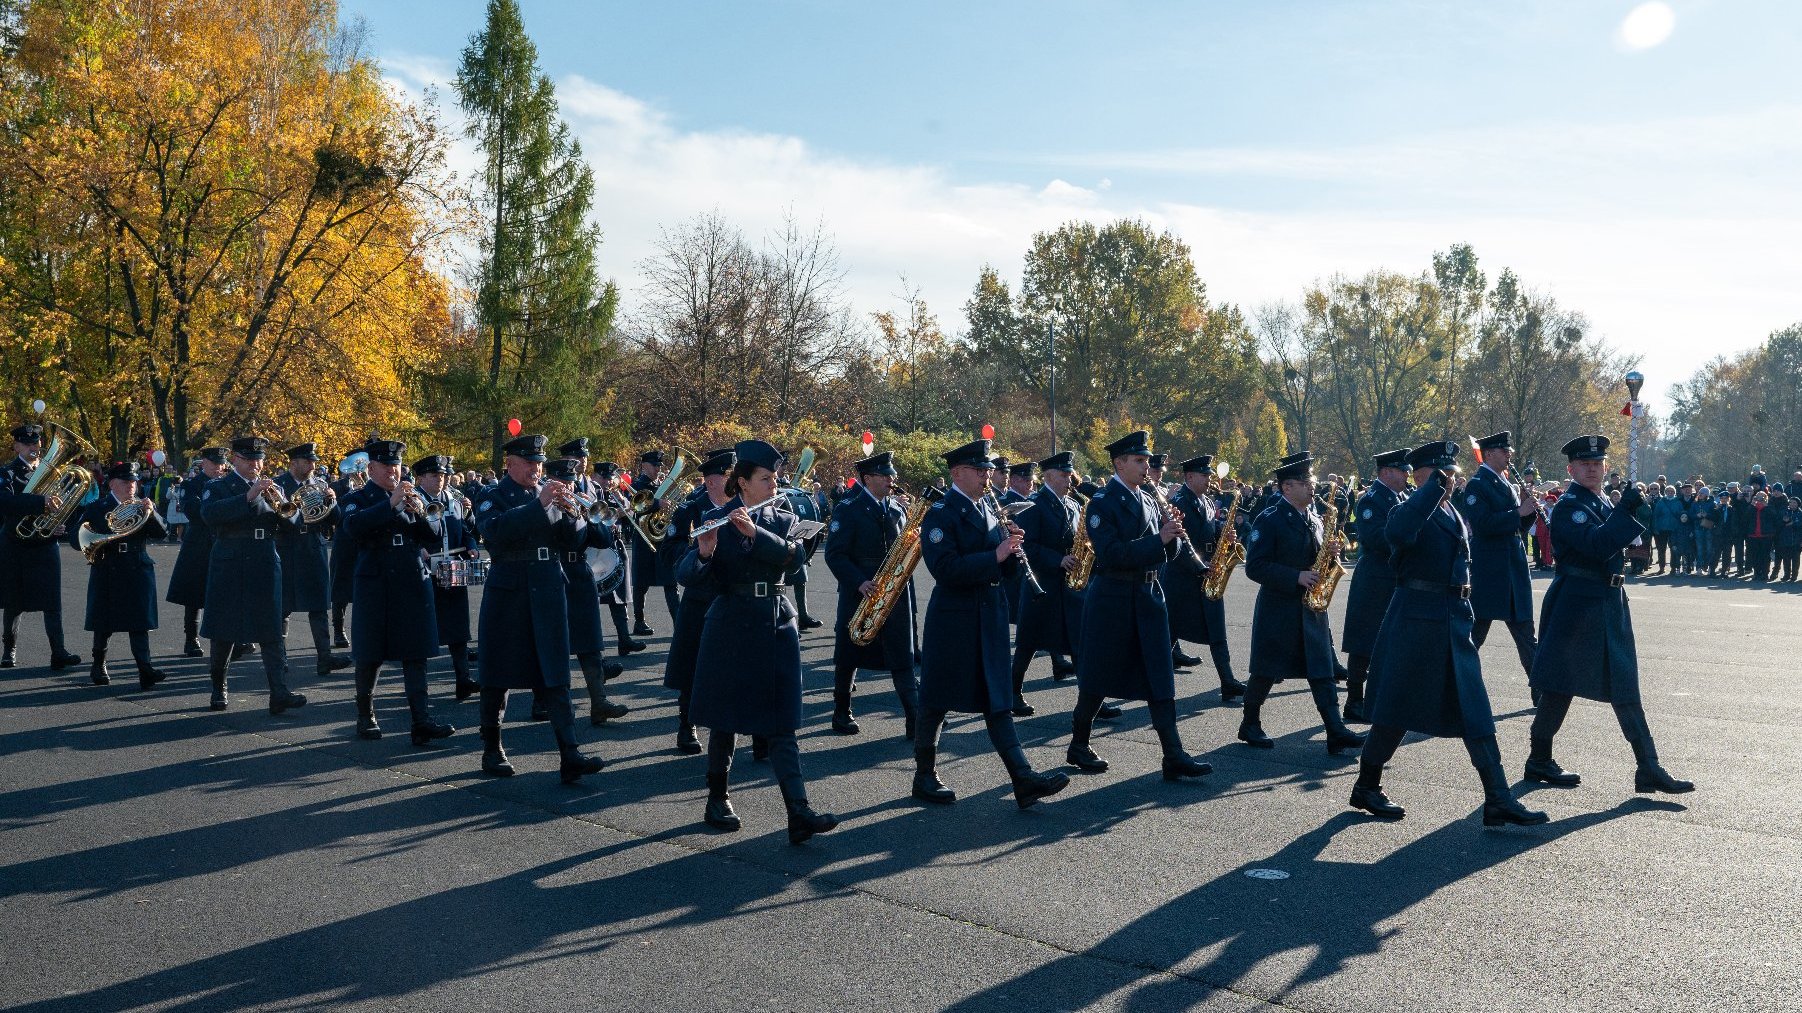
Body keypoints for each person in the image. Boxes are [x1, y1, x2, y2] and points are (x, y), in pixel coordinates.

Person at [1350, 442, 1547, 827]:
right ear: (1420, 476)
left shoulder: (1450, 509)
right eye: (1442, 475)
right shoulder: (1409, 507)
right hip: (1418, 622)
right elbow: (1397, 532)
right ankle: (1366, 784)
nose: (1450, 481)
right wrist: (1429, 492)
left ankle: (1497, 798)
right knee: (1396, 710)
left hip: (1452, 618)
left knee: (1475, 709)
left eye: (1452, 474)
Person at [680, 439, 838, 843]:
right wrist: (704, 555)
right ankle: (718, 797)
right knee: (726, 719)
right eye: (766, 479)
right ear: (742, 483)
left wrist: (756, 535)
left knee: (782, 722)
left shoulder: (780, 517)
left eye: (775, 478)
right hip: (731, 623)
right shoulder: (716, 517)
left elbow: (795, 557)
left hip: (776, 623)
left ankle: (798, 811)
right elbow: (686, 574)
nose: (774, 484)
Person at [1526, 435, 1692, 795]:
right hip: (1578, 601)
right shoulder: (1570, 506)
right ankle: (1539, 757)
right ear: (1570, 469)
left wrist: (1629, 509)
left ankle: (1647, 766)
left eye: (1598, 463)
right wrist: (1624, 511)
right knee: (1560, 684)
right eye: (1584, 464)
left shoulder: (1599, 501)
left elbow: (1618, 540)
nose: (1592, 468)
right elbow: (1598, 545)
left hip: (1607, 599)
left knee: (1624, 683)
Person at [912, 438, 1069, 808]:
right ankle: (924, 774)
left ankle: (1022, 778)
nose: (987, 477)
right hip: (955, 617)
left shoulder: (989, 506)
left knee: (997, 700)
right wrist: (996, 553)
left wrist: (1014, 552)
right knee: (936, 697)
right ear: (957, 473)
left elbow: (1005, 567)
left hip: (990, 612)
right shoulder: (940, 513)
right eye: (979, 470)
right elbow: (945, 569)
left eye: (987, 470)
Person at [1062, 432, 1215, 781]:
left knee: (1160, 676)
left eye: (1147, 460)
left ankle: (1173, 754)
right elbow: (1112, 554)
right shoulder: (1103, 502)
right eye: (1140, 460)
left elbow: (1168, 553)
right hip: (1113, 598)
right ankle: (1079, 743)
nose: (1148, 466)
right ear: (1120, 464)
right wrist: (1159, 538)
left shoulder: (1149, 498)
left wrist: (1173, 535)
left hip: (1148, 596)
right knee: (1099, 674)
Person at [472, 433, 605, 782]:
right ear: (510, 463)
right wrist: (540, 505)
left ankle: (570, 753)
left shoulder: (549, 491)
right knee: (497, 674)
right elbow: (495, 534)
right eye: (530, 462)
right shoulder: (492, 496)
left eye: (540, 463)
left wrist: (573, 515)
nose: (537, 469)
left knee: (557, 672)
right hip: (510, 590)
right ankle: (492, 748)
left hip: (548, 587)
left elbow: (575, 539)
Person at [1239, 451, 1365, 755]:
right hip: (1279, 607)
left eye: (1312, 482)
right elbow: (1255, 566)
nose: (1312, 488)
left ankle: (1335, 729)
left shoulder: (1313, 518)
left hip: (1310, 607)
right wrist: (1294, 576)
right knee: (1267, 669)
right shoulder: (1269, 519)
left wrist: (1331, 551)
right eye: (1305, 483)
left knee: (1321, 669)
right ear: (1286, 488)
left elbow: (1315, 558)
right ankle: (1249, 722)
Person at [339, 441, 453, 747]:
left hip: (410, 580)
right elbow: (353, 528)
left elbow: (434, 536)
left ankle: (421, 721)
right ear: (372, 469)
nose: (394, 471)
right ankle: (366, 716)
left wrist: (422, 513)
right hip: (376, 583)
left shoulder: (411, 496)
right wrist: (390, 504)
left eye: (397, 465)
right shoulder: (357, 498)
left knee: (415, 654)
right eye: (387, 466)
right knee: (370, 655)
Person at [199, 436, 306, 715]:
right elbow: (209, 514)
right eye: (249, 459)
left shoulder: (276, 488)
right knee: (224, 629)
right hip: (230, 558)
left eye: (259, 459)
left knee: (271, 630)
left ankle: (279, 692)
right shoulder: (217, 486)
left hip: (263, 559)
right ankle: (218, 689)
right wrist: (249, 495)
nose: (255, 465)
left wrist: (284, 506)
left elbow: (294, 523)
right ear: (235, 459)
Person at [822, 450, 921, 736]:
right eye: (886, 475)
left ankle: (914, 718)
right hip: (861, 591)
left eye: (893, 474)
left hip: (895, 592)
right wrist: (858, 582)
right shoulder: (848, 507)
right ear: (868, 478)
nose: (893, 479)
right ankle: (841, 712)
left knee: (902, 655)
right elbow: (835, 554)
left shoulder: (897, 508)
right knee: (849, 653)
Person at [545, 452, 629, 726]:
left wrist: (591, 516)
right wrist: (572, 516)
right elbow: (563, 538)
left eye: (570, 483)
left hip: (580, 573)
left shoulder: (578, 504)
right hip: (554, 572)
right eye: (562, 482)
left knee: (590, 640)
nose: (568, 488)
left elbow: (603, 541)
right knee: (552, 639)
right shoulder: (543, 505)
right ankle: (541, 699)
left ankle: (599, 701)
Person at [69, 460, 169, 689]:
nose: (131, 487)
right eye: (125, 482)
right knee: (104, 621)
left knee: (140, 622)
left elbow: (161, 533)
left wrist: (152, 514)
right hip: (109, 566)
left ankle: (145, 669)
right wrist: (103, 535)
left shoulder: (142, 506)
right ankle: (99, 664)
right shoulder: (97, 507)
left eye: (134, 482)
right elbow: (77, 539)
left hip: (137, 565)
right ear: (112, 483)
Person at [662, 448, 735, 754]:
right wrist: (700, 555)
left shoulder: (744, 507)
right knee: (692, 664)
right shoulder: (691, 509)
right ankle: (686, 725)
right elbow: (673, 552)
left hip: (733, 596)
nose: (733, 481)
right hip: (701, 596)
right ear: (710, 480)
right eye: (727, 475)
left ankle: (753, 732)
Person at [1161, 453, 1246, 704]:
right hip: (1183, 577)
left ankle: (1227, 681)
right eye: (1204, 475)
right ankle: (1155, 680)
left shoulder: (1207, 501)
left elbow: (1211, 532)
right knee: (1170, 632)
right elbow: (1178, 542)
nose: (1209, 479)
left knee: (1217, 630)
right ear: (1189, 476)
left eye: (1209, 474)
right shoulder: (1179, 502)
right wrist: (1199, 565)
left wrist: (1225, 536)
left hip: (1208, 574)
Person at [0, 422, 83, 671]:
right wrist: (40, 502)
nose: (33, 448)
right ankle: (8, 651)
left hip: (45, 543)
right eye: (27, 444)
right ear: (16, 446)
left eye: (36, 443)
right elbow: (5, 502)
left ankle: (58, 652)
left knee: (52, 602)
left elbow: (67, 503)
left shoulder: (53, 473)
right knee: (14, 601)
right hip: (15, 544)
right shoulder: (7, 473)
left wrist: (60, 524)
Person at [1457, 432, 1538, 685]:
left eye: (1509, 450)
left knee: (1526, 634)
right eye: (1504, 451)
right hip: (1491, 569)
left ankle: (1541, 691)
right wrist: (1518, 512)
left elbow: (1517, 527)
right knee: (1476, 633)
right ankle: (1454, 685)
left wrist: (1528, 510)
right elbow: (1482, 524)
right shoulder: (1477, 484)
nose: (1509, 454)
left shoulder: (1506, 482)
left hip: (1513, 567)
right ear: (1489, 454)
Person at [1008, 451, 1085, 714]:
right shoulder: (1035, 505)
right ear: (1049, 476)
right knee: (1028, 643)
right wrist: (1058, 559)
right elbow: (1025, 545)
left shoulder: (1073, 504)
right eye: (1063, 475)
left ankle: (1091, 700)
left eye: (1069, 474)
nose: (1069, 479)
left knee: (1077, 641)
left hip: (1068, 585)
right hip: (1040, 585)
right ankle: (1013, 693)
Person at [1339, 448, 1410, 723]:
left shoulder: (1403, 496)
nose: (1406, 475)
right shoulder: (1371, 500)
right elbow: (1376, 537)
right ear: (1385, 473)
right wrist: (1408, 537)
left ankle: (1384, 697)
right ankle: (1355, 700)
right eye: (1401, 470)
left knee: (1394, 640)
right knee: (1364, 642)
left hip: (1395, 577)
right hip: (1375, 579)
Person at [274, 443, 350, 680]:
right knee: (283, 607)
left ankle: (324, 658)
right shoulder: (279, 486)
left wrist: (332, 501)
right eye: (307, 462)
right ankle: (279, 658)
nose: (312, 466)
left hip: (313, 547)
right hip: (287, 548)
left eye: (313, 462)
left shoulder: (320, 485)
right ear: (293, 462)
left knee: (318, 607)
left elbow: (337, 520)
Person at [416, 454, 481, 701]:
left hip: (453, 570)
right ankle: (418, 686)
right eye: (435, 476)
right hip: (425, 573)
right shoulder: (416, 501)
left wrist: (471, 546)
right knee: (423, 628)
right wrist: (417, 549)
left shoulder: (452, 501)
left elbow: (465, 531)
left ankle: (463, 680)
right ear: (421, 478)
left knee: (458, 628)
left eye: (443, 475)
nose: (441, 480)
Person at [592, 461, 647, 656]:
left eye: (610, 478)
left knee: (619, 596)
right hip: (594, 550)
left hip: (614, 545)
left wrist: (620, 500)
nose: (608, 482)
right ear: (596, 476)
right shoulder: (594, 491)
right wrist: (616, 514)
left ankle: (624, 639)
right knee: (591, 599)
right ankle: (590, 646)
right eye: (604, 478)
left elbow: (632, 510)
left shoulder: (612, 492)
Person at [778, 461, 826, 631]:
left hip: (795, 538)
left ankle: (804, 615)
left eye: (783, 467)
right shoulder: (771, 487)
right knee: (778, 582)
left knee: (801, 578)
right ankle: (783, 617)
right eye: (781, 466)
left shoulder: (787, 484)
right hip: (778, 539)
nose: (783, 469)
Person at [628, 450, 664, 636]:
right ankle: (639, 621)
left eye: (659, 465)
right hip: (643, 537)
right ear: (644, 466)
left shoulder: (661, 484)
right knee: (641, 581)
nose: (658, 468)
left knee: (670, 581)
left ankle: (678, 619)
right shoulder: (637, 485)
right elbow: (637, 505)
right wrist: (659, 504)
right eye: (654, 465)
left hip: (661, 538)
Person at [1746, 489, 1777, 582]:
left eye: (1762, 497)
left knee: (1765, 556)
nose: (1759, 499)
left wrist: (1766, 505)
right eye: (1757, 496)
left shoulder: (1769, 507)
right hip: (1753, 535)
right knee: (1755, 555)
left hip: (1766, 535)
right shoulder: (1752, 507)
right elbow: (1746, 517)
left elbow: (1774, 516)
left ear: (1765, 498)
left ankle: (1764, 573)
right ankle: (1756, 573)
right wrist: (1752, 503)